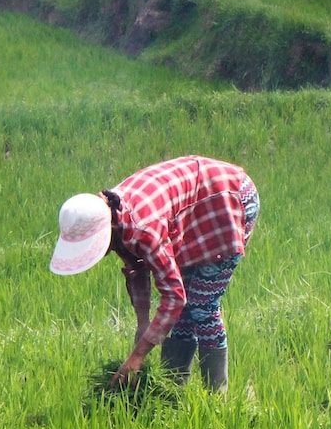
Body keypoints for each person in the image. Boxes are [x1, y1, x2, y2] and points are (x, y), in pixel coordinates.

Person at [50, 156, 259, 391]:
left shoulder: (143, 228)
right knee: (183, 312)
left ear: (106, 231)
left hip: (228, 199)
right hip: (193, 207)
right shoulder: (114, 217)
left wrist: (137, 356)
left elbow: (174, 297)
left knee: (201, 306)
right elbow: (136, 267)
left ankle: (217, 398)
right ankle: (172, 391)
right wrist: (143, 323)